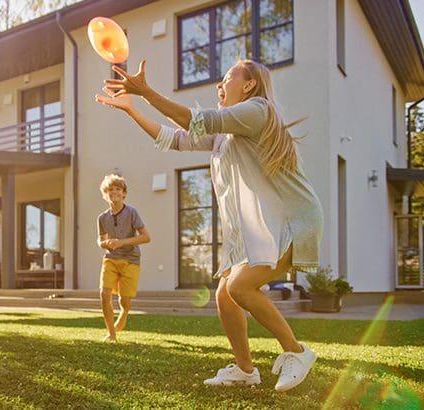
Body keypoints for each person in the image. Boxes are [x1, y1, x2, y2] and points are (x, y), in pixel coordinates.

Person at [95, 59, 323, 391]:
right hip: (263, 228)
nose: (220, 85)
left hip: (293, 219)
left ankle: (297, 352)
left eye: (227, 79)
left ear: (248, 85)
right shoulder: (226, 135)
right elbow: (175, 138)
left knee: (239, 287)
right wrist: (132, 109)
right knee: (225, 294)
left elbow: (195, 120)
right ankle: (245, 370)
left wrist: (145, 91)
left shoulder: (257, 110)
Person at [96, 174, 150, 342]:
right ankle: (111, 334)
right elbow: (100, 239)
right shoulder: (102, 218)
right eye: (110, 190)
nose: (114, 192)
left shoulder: (132, 212)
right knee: (104, 294)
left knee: (124, 301)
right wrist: (105, 244)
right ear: (105, 194)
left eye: (118, 189)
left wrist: (121, 242)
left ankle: (124, 312)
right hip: (110, 259)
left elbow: (146, 237)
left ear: (124, 193)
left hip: (130, 260)